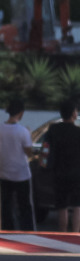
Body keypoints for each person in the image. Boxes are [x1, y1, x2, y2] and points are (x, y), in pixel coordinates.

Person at [44, 102, 80, 233]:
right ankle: (76, 233)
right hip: (77, 172)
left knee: (62, 207)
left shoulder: (53, 129)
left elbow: (45, 149)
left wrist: (43, 163)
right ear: (73, 114)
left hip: (59, 172)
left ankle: (63, 233)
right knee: (78, 206)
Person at [0, 98, 36, 231]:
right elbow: (29, 152)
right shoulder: (23, 131)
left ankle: (7, 229)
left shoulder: (1, 129)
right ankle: (27, 230)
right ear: (21, 113)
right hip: (21, 174)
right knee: (25, 205)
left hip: (4, 172)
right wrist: (30, 137)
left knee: (6, 205)